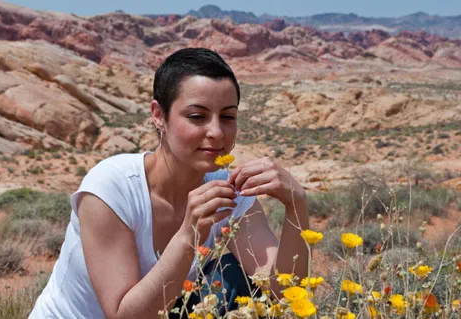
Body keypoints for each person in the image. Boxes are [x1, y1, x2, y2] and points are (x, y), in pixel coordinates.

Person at [29, 47, 310, 318]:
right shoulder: (112, 187)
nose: (216, 132)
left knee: (234, 280)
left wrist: (296, 205)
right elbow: (123, 315)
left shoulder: (229, 189)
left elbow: (283, 293)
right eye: (197, 116)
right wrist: (188, 235)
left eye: (228, 117)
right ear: (158, 115)